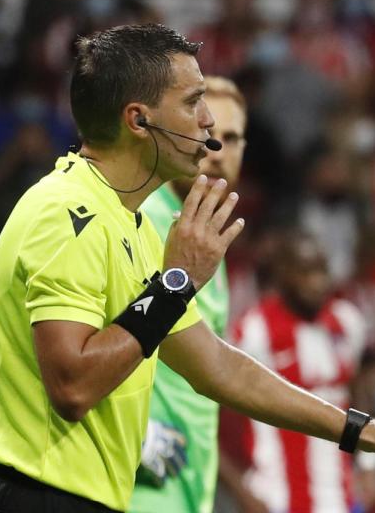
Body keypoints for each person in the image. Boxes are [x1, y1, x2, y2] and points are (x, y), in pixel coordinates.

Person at [0, 23, 375, 513]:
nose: (206, 122)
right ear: (139, 120)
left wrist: (357, 429)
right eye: (191, 102)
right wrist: (175, 284)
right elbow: (72, 387)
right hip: (35, 499)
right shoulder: (66, 211)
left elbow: (219, 367)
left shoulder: (133, 226)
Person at [127, 75, 247, 513]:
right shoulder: (142, 218)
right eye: (208, 134)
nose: (217, 149)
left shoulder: (205, 236)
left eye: (231, 138)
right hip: (138, 482)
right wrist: (132, 435)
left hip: (190, 482)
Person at [224, 230, 375, 513]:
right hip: (273, 496)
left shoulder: (347, 323)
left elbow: (356, 394)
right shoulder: (252, 333)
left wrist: (369, 462)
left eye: (322, 270)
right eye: (306, 272)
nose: (318, 282)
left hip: (338, 497)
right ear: (283, 273)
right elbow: (215, 420)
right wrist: (242, 491)